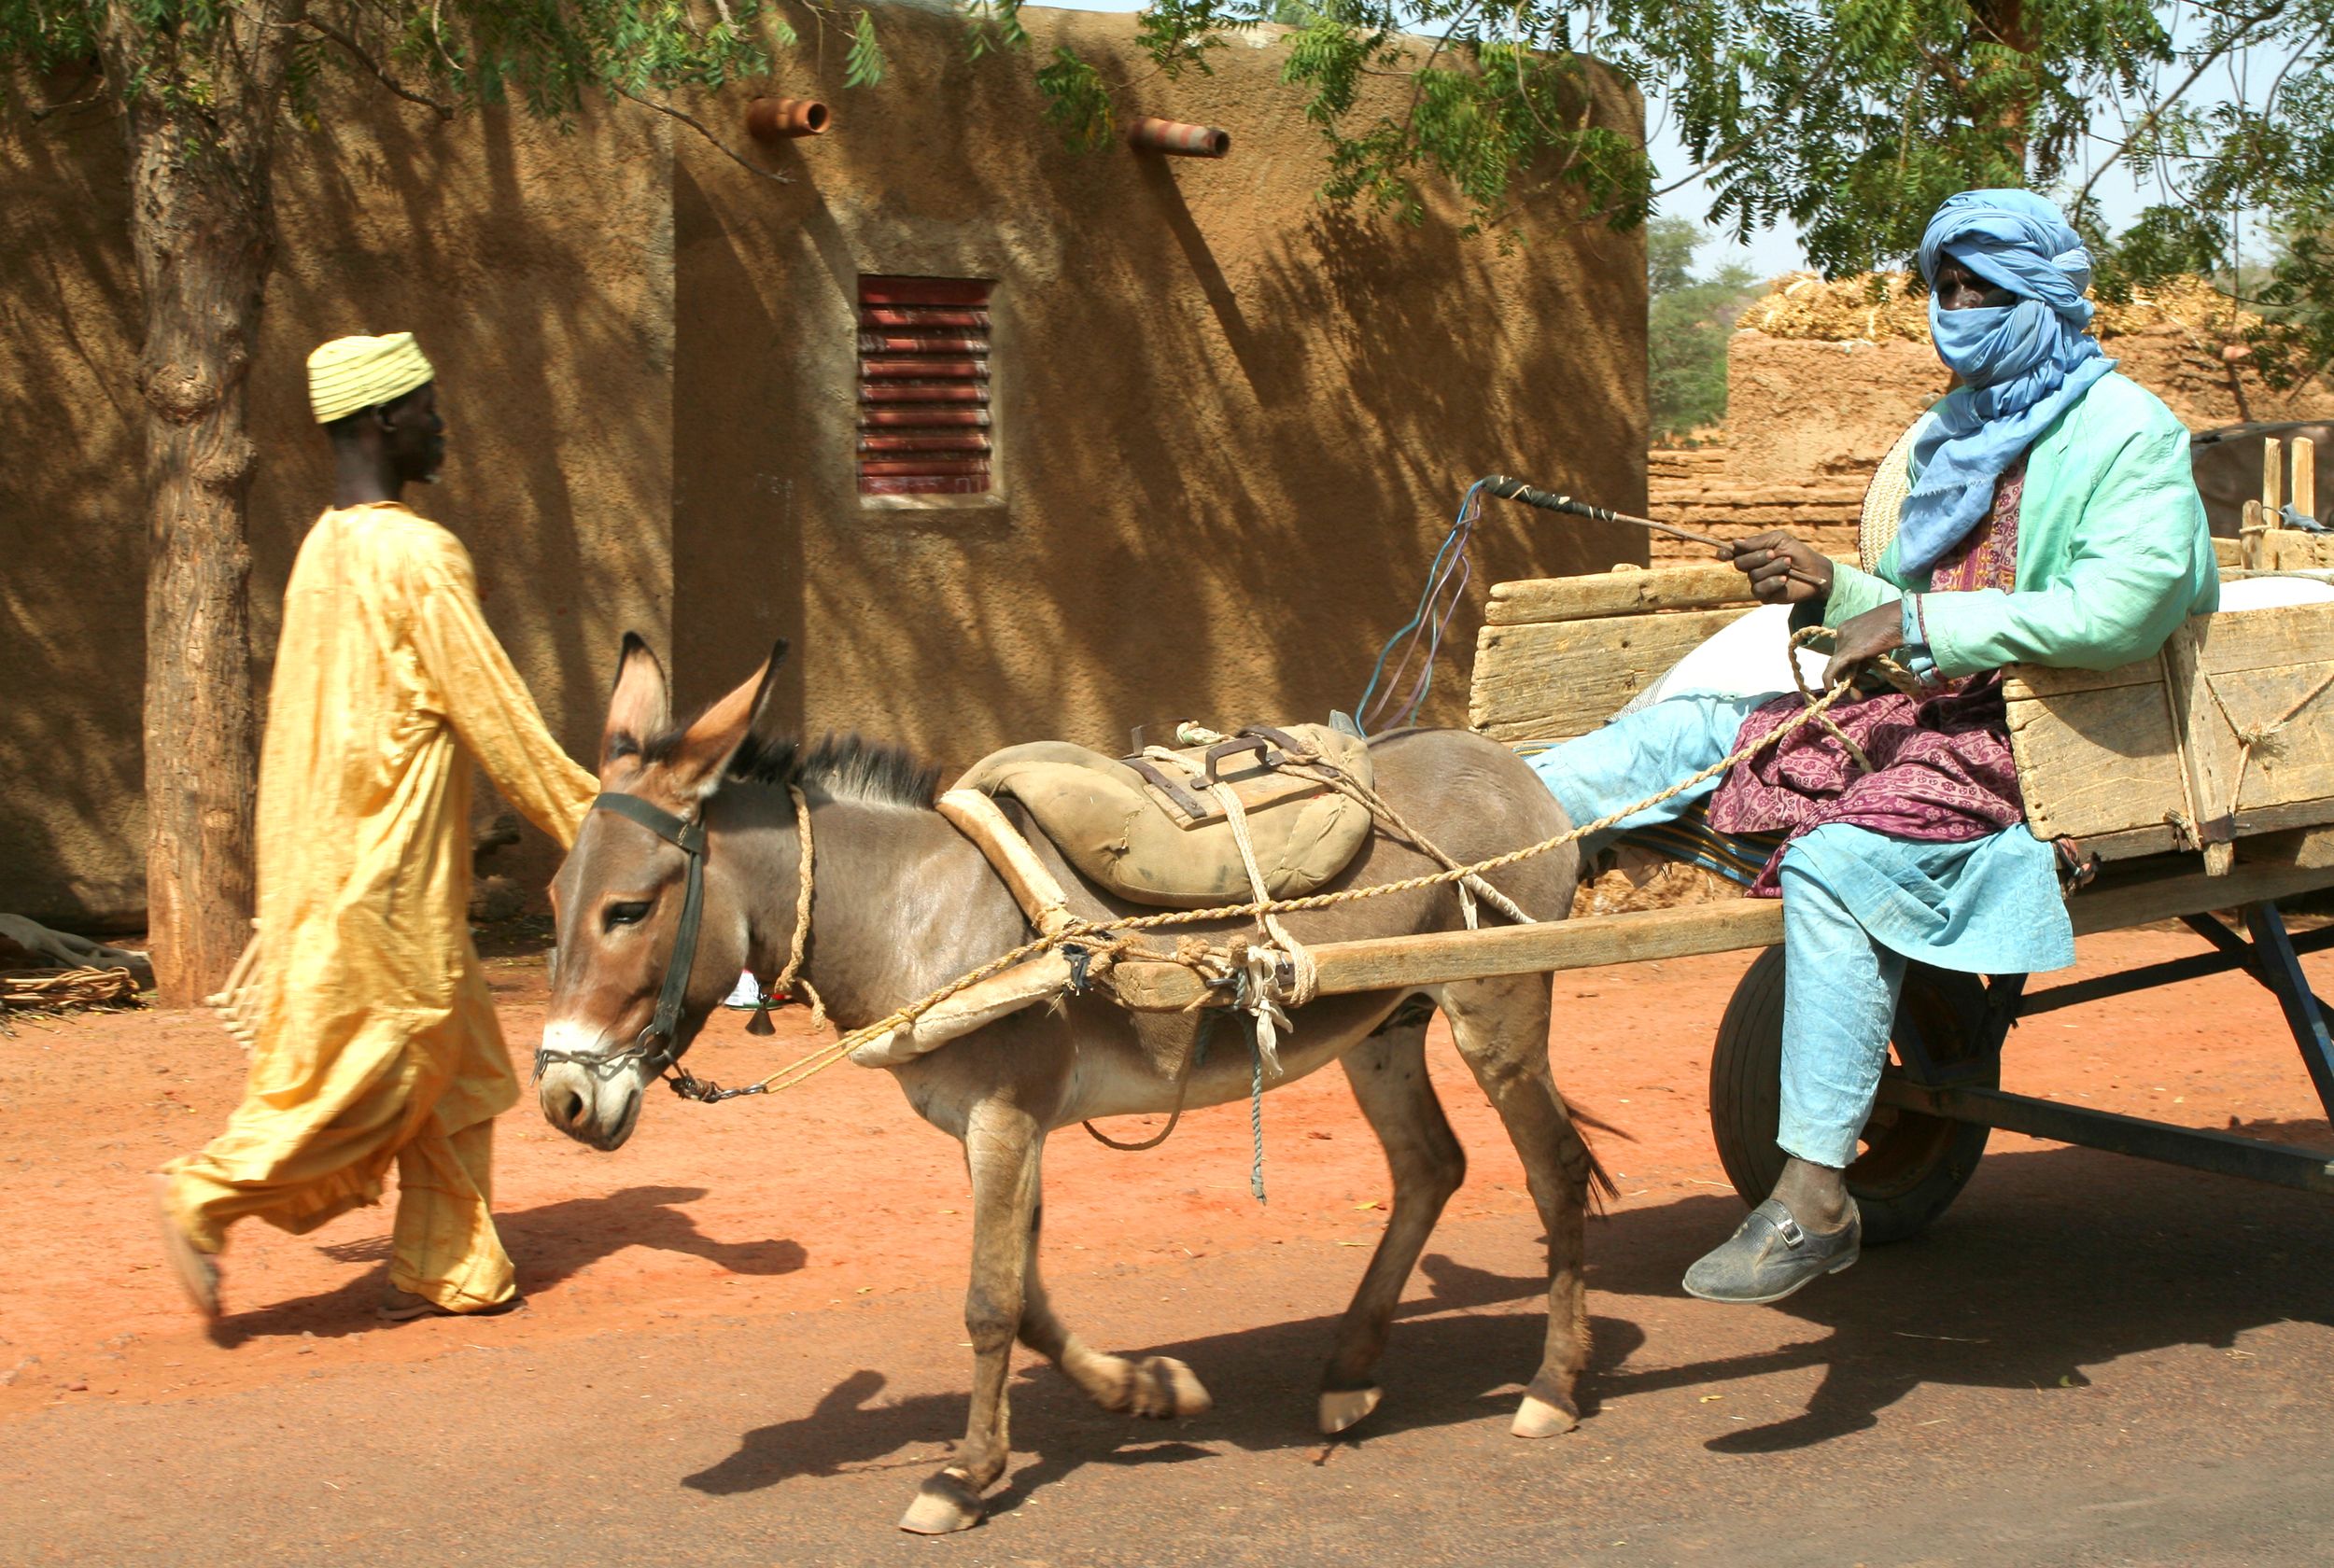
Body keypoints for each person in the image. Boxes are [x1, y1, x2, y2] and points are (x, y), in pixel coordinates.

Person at [1529, 189, 2215, 1304]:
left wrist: (1915, 624)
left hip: (2043, 733)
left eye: (1982, 291)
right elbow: (1909, 598)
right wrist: (1831, 586)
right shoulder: (1952, 431)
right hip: (1922, 701)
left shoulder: (2128, 430)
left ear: (2044, 295)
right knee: (1683, 734)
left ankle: (1814, 1197)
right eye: (1942, 291)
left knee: (1842, 861)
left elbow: (2124, 610)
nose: (1956, 315)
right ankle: (1422, 870)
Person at [155, 333, 599, 1323]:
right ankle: (207, 1190)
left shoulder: (325, 547)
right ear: (380, 420)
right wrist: (603, 822)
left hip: (339, 871)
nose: (442, 427)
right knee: (371, 1075)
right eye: (429, 409)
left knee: (466, 1072)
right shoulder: (415, 553)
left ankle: (453, 1261)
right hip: (384, 884)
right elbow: (498, 717)